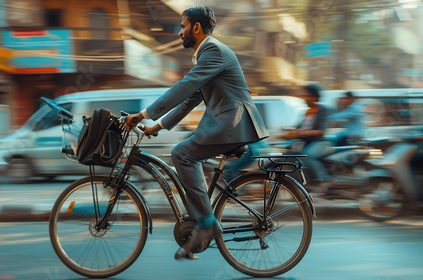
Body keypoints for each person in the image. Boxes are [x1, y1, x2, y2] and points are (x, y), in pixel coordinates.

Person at [125, 6, 269, 260]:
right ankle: (199, 222)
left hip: (232, 122)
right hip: (228, 121)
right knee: (188, 156)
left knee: (181, 154)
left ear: (196, 27)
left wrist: (144, 114)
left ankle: (206, 224)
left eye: (182, 26)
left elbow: (185, 86)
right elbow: (190, 99)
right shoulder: (207, 55)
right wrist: (156, 127)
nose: (179, 32)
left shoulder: (212, 50)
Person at [283, 84, 332, 185]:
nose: (304, 98)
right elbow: (298, 128)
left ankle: (323, 179)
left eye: (306, 95)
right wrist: (287, 134)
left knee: (307, 155)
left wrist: (300, 132)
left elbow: (320, 131)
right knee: (289, 156)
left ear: (315, 97)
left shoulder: (322, 110)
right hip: (306, 143)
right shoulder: (307, 112)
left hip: (319, 143)